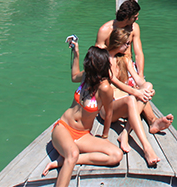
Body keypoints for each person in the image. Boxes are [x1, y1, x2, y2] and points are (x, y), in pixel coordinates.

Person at [42, 41, 123, 187]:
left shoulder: (105, 88)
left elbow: (109, 114)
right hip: (64, 127)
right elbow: (74, 76)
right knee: (72, 154)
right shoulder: (87, 76)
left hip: (82, 135)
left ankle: (64, 160)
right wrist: (76, 53)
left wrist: (105, 137)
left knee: (116, 155)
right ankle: (69, 157)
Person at [96, 0, 173, 133]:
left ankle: (152, 121)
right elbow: (98, 57)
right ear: (127, 17)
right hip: (111, 70)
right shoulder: (105, 30)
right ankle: (139, 125)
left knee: (143, 87)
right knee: (138, 93)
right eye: (135, 17)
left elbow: (138, 54)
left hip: (129, 68)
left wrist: (140, 75)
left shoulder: (134, 28)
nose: (137, 20)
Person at [102, 28, 161, 167]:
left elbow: (138, 80)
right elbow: (115, 82)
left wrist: (146, 89)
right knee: (131, 98)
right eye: (127, 44)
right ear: (118, 43)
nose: (129, 47)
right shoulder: (104, 60)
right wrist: (137, 93)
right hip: (108, 108)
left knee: (147, 85)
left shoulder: (124, 59)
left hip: (125, 101)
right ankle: (147, 148)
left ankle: (124, 132)